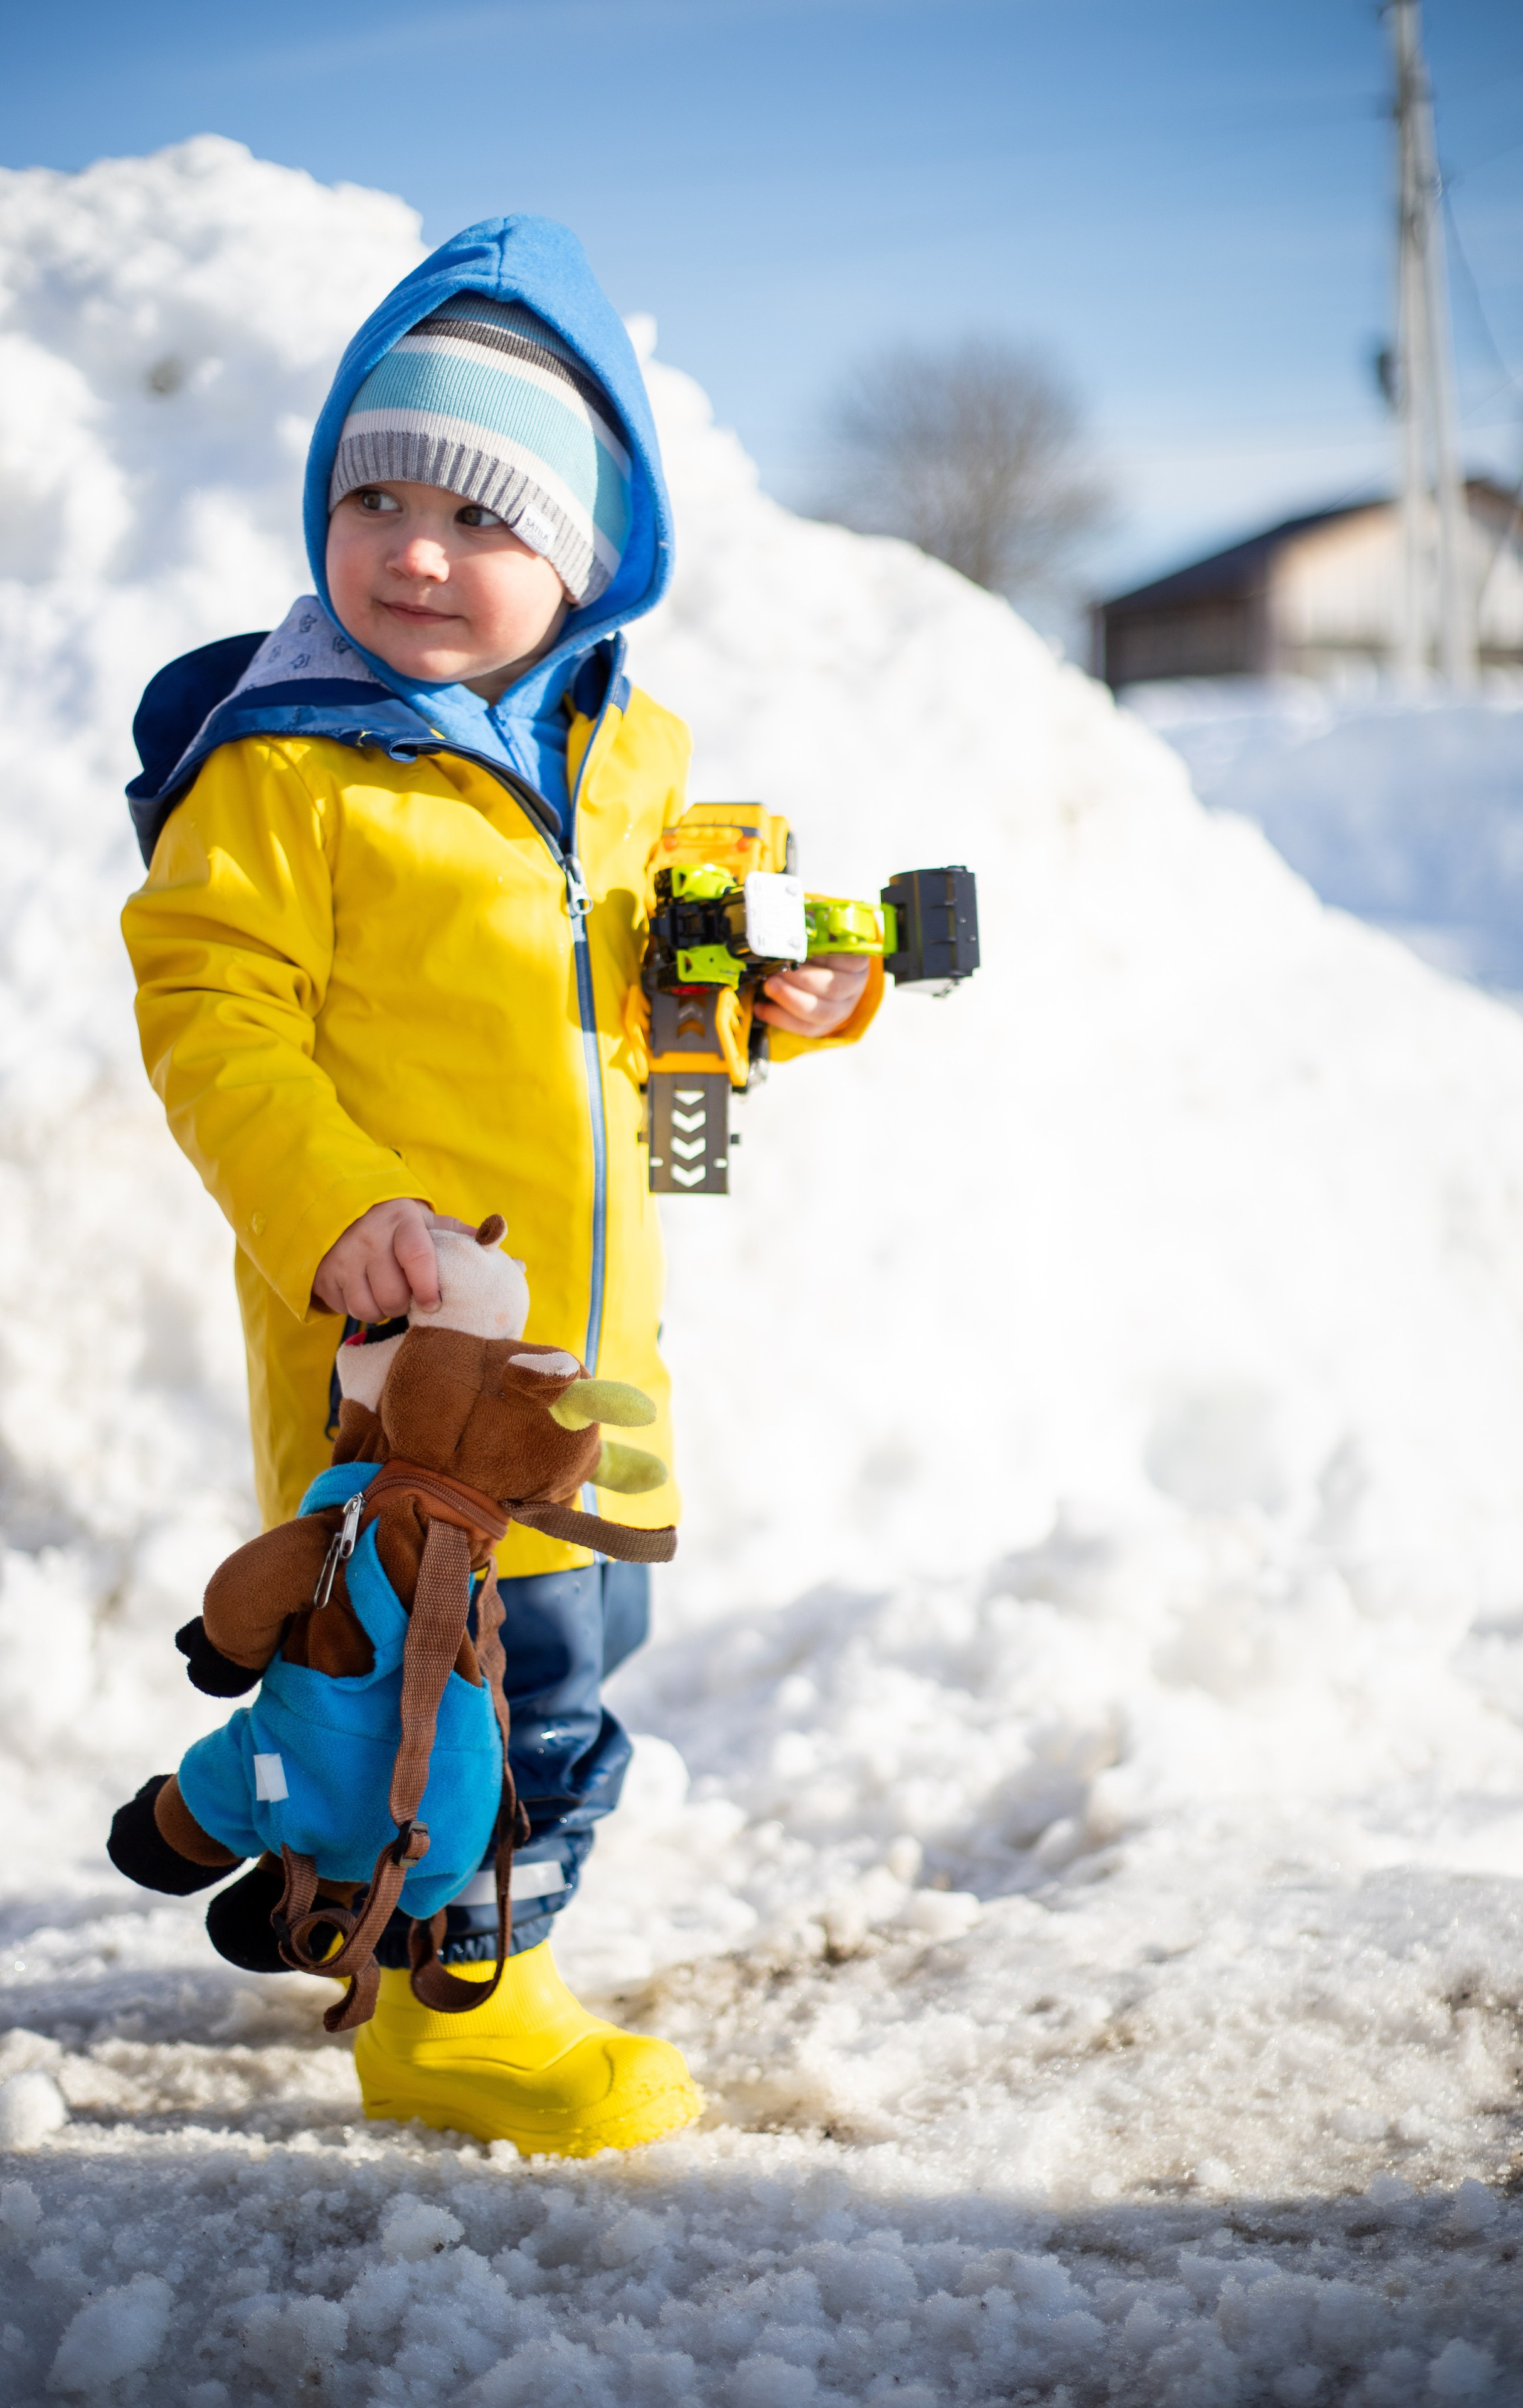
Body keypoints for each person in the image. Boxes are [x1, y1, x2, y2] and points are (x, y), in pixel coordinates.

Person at [120, 216, 879, 2156]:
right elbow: (214, 1010)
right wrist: (333, 1205)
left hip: (586, 1365)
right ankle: (459, 2007)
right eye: (373, 495)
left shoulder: (630, 764)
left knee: (559, 1654)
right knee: (490, 1696)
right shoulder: (284, 771)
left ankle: (333, 1874)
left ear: (592, 557)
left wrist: (793, 995)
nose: (415, 548)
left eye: (479, 513)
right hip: (408, 1357)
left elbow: (659, 1005)